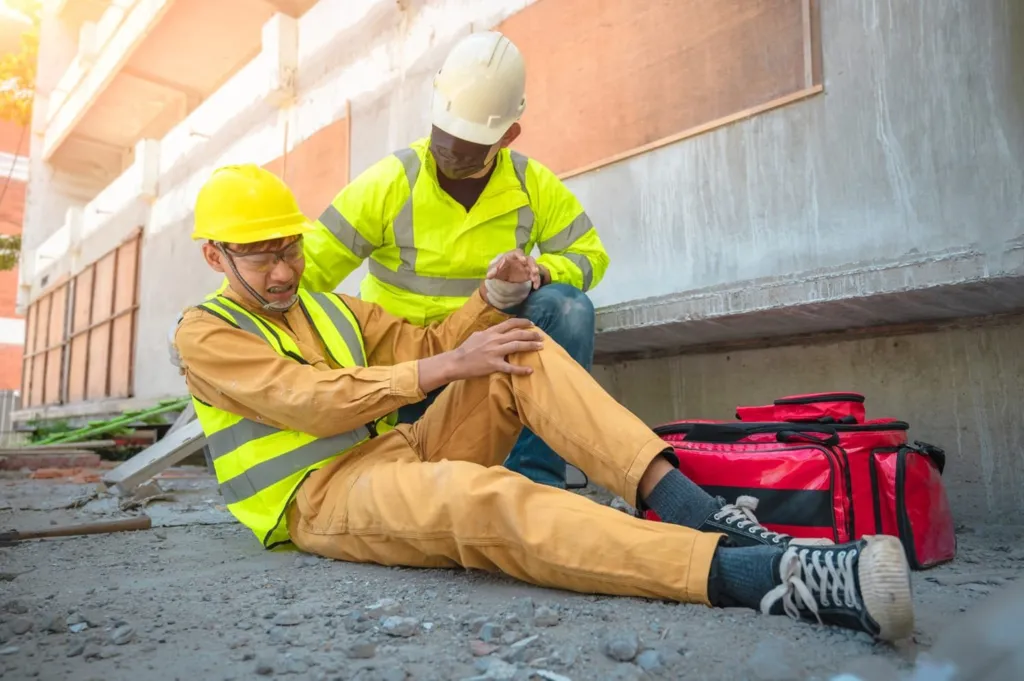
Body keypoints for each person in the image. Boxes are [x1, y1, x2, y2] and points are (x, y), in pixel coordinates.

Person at [173, 164, 916, 643]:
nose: (283, 268)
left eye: (289, 248)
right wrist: (437, 368)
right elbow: (306, 400)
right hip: (321, 498)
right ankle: (766, 578)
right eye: (260, 254)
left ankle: (695, 506)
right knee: (481, 498)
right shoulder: (207, 334)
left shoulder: (325, 306)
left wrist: (489, 303)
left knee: (517, 348)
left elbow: (426, 337)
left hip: (393, 452)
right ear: (215, 257)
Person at [296, 31, 608, 490]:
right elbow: (306, 267)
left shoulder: (531, 184)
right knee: (424, 480)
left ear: (507, 136)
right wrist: (228, 316)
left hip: (489, 358)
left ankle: (536, 480)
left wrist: (542, 272)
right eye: (443, 141)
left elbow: (590, 257)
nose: (448, 156)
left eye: (467, 148)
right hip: (412, 368)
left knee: (566, 306)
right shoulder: (391, 182)